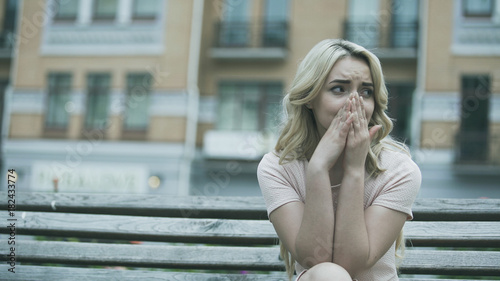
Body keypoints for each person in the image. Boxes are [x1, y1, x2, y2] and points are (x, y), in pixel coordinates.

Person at [257, 39, 421, 281]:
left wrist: (354, 170)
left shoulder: (399, 170)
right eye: (339, 89)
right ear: (310, 98)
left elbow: (351, 264)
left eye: (366, 91)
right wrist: (318, 169)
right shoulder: (278, 168)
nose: (353, 102)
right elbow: (315, 260)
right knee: (327, 274)